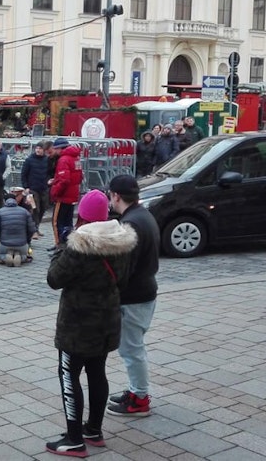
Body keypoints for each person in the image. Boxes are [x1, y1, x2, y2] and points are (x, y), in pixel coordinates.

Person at [45, 190, 138, 457]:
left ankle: (74, 438)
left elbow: (54, 279)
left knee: (69, 376)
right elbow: (124, 280)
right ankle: (93, 430)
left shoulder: (80, 246)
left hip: (77, 325)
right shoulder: (121, 242)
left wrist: (60, 251)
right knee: (97, 373)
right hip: (106, 322)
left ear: (82, 217)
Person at [105, 175, 160, 417]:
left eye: (110, 195)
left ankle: (139, 398)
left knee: (131, 350)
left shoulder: (132, 224)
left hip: (134, 296)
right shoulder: (141, 215)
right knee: (132, 348)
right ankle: (136, 391)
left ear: (116, 196)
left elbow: (125, 268)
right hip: (144, 291)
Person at [0, 193, 36, 266]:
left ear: (4, 201)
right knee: (24, 254)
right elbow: (31, 229)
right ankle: (20, 256)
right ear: (15, 200)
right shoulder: (25, 212)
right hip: (22, 244)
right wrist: (26, 240)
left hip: (5, 244)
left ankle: (6, 256)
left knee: (0, 254)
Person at [50, 140, 83, 245]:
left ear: (60, 148)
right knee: (68, 223)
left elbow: (64, 180)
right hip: (72, 195)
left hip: (63, 196)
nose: (54, 151)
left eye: (55, 149)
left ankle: (59, 246)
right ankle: (68, 244)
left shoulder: (63, 160)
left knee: (57, 222)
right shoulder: (76, 158)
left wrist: (54, 191)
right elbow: (79, 176)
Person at [21, 142, 51, 237]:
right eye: (37, 148)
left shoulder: (47, 160)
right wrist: (26, 186)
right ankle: (33, 230)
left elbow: (50, 173)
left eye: (40, 148)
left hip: (44, 188)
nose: (38, 150)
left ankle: (37, 228)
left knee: (42, 209)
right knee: (35, 209)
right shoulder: (29, 160)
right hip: (33, 189)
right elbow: (24, 174)